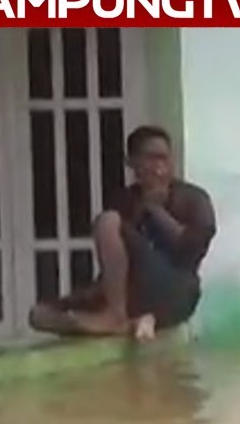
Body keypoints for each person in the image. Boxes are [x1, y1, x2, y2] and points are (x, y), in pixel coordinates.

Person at [29, 125, 217, 342]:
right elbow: (117, 261)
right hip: (133, 293)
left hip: (176, 291)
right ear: (131, 163)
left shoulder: (194, 198)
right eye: (150, 159)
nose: (159, 168)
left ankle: (116, 316)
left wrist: (156, 210)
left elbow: (191, 249)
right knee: (40, 315)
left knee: (107, 221)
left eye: (164, 159)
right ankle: (134, 321)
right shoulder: (125, 200)